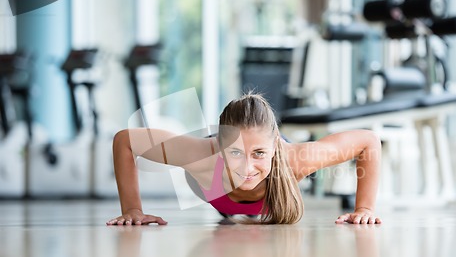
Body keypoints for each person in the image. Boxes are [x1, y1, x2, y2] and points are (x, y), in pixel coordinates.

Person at [106, 93, 382, 226]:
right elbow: (125, 141)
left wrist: (365, 208)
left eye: (259, 154)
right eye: (235, 153)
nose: (247, 168)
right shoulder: (201, 155)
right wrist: (133, 210)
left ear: (275, 147)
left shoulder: (296, 158)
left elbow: (368, 141)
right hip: (220, 192)